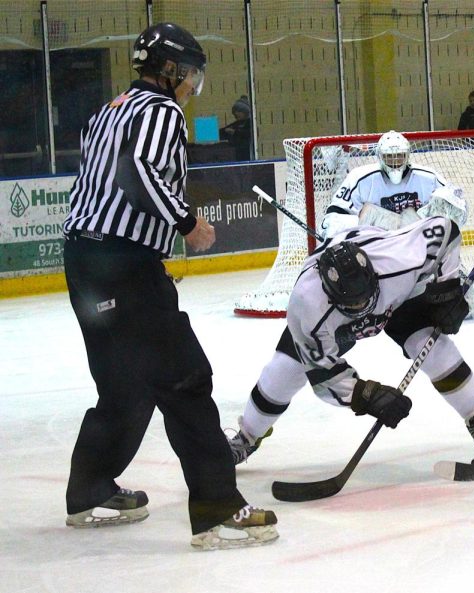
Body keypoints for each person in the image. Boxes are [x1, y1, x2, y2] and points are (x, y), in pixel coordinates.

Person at [60, 22, 277, 551]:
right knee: (184, 379)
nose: (192, 86)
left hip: (84, 262)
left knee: (124, 386)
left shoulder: (109, 110)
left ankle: (89, 489)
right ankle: (218, 509)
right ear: (173, 70)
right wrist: (187, 222)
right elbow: (137, 171)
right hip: (125, 266)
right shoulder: (159, 111)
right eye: (192, 75)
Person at [225, 218, 474, 469]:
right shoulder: (307, 306)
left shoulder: (398, 261)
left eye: (364, 300)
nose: (361, 307)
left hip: (396, 298)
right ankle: (247, 437)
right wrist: (367, 395)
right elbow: (324, 378)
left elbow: (446, 229)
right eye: (353, 304)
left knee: (429, 346)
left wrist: (447, 288)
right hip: (336, 324)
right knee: (283, 372)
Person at [320, 129, 474, 314]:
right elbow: (333, 217)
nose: (395, 162)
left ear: (408, 156)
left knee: (469, 302)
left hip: (418, 246)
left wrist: (438, 217)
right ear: (380, 157)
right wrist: (344, 232)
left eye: (399, 156)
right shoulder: (361, 178)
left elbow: (457, 208)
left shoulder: (427, 177)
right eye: (390, 157)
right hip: (380, 250)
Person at [218, 94, 253, 161]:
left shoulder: (251, 123)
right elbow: (222, 131)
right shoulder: (236, 124)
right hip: (236, 155)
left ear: (245, 112)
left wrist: (235, 132)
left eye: (239, 111)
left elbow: (249, 134)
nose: (236, 114)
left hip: (247, 155)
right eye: (235, 112)